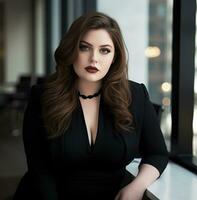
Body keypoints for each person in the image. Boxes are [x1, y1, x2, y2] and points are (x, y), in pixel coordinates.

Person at [13, 11, 168, 200]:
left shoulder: (135, 95)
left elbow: (157, 153)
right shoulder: (43, 96)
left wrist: (136, 186)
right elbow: (39, 169)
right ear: (71, 50)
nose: (94, 58)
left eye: (105, 50)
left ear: (115, 56)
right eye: (84, 47)